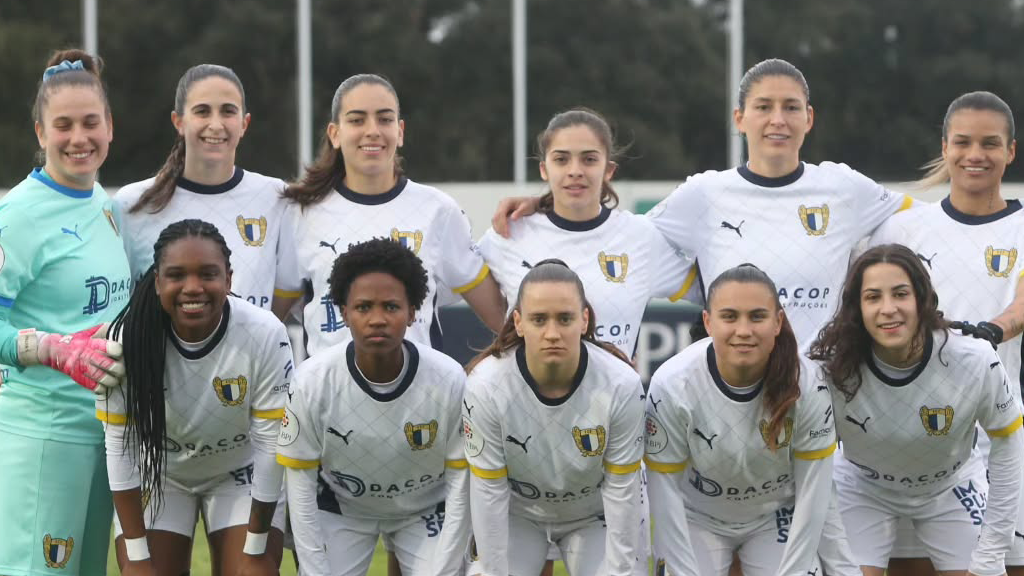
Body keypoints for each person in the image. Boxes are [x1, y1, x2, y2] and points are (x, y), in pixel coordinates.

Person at [492, 58, 913, 349]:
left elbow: (927, 225)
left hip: (823, 391)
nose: (777, 120)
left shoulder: (844, 187)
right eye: (763, 107)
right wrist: (552, 201)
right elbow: (612, 234)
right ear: (739, 119)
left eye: (791, 107)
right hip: (731, 391)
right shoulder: (704, 194)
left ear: (810, 118)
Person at [864, 91, 1024, 575]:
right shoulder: (903, 229)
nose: (976, 155)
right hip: (908, 449)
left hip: (1000, 440)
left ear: (1010, 151)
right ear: (945, 145)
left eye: (990, 143)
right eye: (964, 142)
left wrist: (990, 331)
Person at [808, 244, 1024, 575]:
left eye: (900, 294)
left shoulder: (974, 358)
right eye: (873, 297)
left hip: (951, 486)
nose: (888, 309)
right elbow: (807, 458)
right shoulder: (828, 366)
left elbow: (1009, 444)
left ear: (922, 299)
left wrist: (992, 552)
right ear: (857, 307)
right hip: (862, 487)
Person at [97, 219, 291, 576]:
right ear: (157, 282)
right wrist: (138, 558)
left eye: (208, 274)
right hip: (162, 474)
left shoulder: (265, 334)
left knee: (254, 573)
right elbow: (119, 445)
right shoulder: (126, 338)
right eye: (176, 275)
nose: (193, 288)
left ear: (229, 279)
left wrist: (254, 549)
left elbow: (269, 446)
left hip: (239, 473)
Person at [0, 49, 128, 576]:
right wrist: (50, 348)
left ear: (110, 126)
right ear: (40, 132)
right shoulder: (19, 215)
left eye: (90, 122)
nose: (80, 138)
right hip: (43, 435)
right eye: (64, 125)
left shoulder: (104, 202)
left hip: (105, 433)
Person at [275, 73, 505, 357]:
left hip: (420, 397)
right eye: (357, 120)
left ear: (400, 131)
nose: (372, 130)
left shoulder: (438, 211)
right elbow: (266, 323)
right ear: (335, 134)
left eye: (384, 119)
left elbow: (502, 318)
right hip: (329, 399)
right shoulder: (301, 215)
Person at [277, 237, 470, 575]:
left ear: (412, 312)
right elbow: (301, 484)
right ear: (343, 312)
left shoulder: (449, 379)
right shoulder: (312, 379)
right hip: (342, 508)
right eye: (364, 307)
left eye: (391, 307)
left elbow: (460, 482)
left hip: (424, 509)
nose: (377, 319)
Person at [645, 264, 839, 576]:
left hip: (774, 516)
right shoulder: (672, 383)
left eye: (757, 316)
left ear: (778, 322)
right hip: (696, 515)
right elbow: (663, 490)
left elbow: (814, 490)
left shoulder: (807, 382)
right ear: (708, 322)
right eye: (730, 316)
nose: (744, 330)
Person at [464, 259, 646, 576]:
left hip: (595, 516)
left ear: (584, 320)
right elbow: (488, 492)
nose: (552, 333)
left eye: (565, 319)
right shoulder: (486, 385)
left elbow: (622, 490)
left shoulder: (621, 384)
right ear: (518, 322)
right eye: (539, 320)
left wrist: (622, 571)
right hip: (517, 515)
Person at [477, 108, 696, 357]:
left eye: (589, 159)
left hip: (615, 395)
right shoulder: (509, 232)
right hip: (525, 394)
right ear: (544, 169)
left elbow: (712, 289)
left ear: (609, 170)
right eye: (561, 159)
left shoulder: (641, 237)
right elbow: (457, 278)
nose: (575, 170)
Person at [116, 64, 296, 315]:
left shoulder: (276, 197)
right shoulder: (133, 204)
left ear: (245, 123)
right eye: (202, 111)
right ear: (178, 121)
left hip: (248, 355)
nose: (216, 124)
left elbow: (286, 292)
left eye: (228, 112)